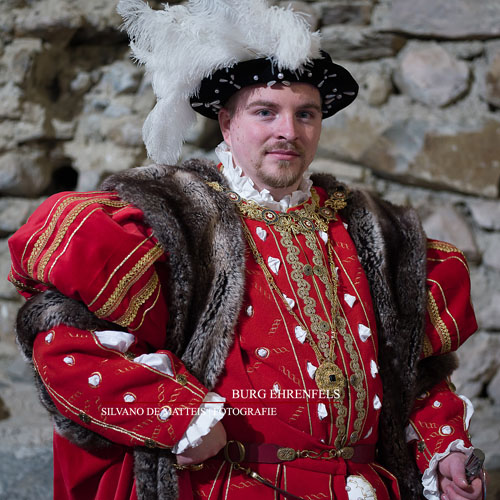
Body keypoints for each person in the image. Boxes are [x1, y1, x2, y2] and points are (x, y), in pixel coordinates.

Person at [8, 1, 485, 499]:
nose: (288, 131)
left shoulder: (374, 233)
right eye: (266, 112)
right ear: (226, 120)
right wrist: (178, 416)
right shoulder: (169, 220)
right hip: (231, 486)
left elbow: (419, 375)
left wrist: (444, 450)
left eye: (306, 114)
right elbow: (67, 348)